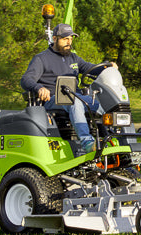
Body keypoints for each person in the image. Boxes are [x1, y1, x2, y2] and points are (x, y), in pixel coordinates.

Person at [19, 23, 114, 157]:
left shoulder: (74, 58)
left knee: (105, 102)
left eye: (70, 39)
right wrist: (39, 88)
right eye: (65, 39)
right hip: (53, 100)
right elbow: (26, 79)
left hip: (76, 97)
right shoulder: (41, 58)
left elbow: (90, 68)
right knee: (73, 101)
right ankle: (87, 143)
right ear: (55, 38)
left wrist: (107, 68)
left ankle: (113, 138)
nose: (69, 42)